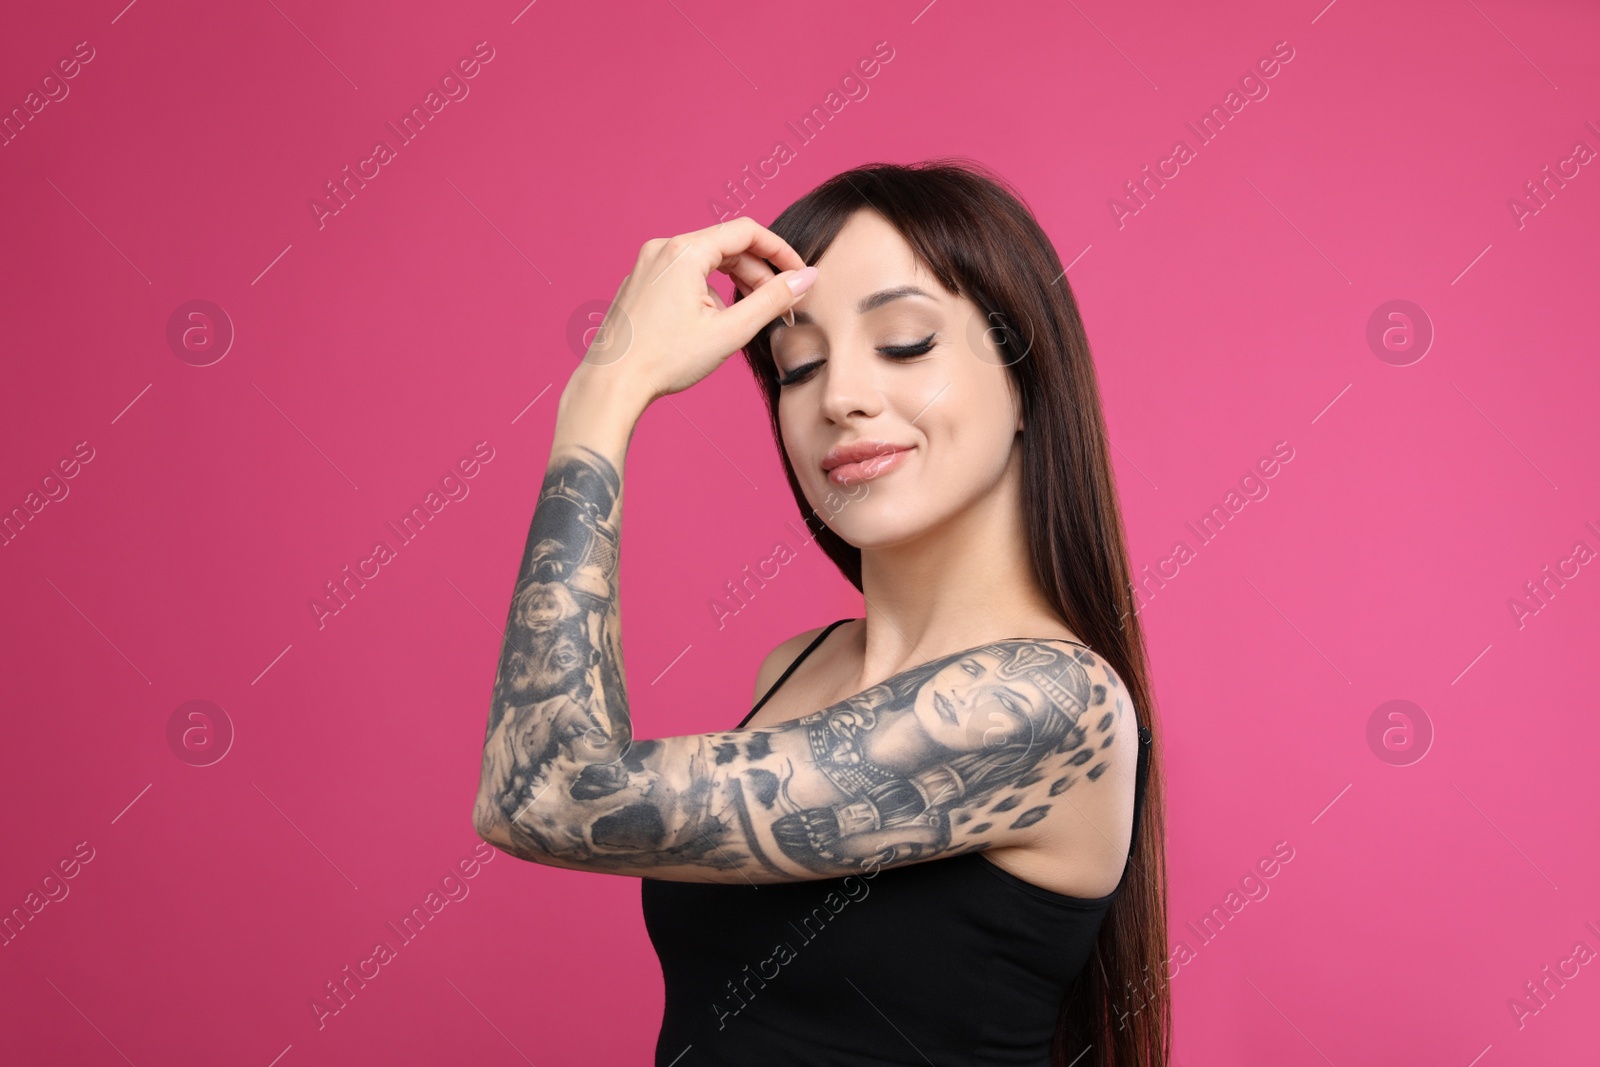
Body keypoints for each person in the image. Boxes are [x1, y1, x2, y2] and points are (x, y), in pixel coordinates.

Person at [474, 159, 1169, 1066]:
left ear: (1026, 381)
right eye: (798, 364)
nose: (840, 396)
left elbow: (544, 790)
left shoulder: (1047, 702)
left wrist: (603, 395)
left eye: (907, 343)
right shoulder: (798, 669)